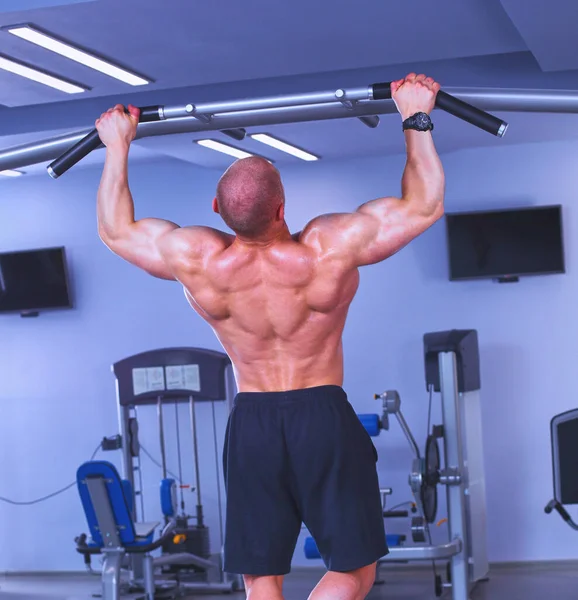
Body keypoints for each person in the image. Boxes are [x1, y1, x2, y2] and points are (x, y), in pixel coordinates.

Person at [95, 72, 444, 600]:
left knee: (260, 578)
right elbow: (422, 205)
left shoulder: (198, 259)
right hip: (322, 413)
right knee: (354, 570)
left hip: (252, 419)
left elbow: (116, 229)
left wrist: (116, 146)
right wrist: (414, 117)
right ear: (283, 208)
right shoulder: (328, 248)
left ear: (217, 211)